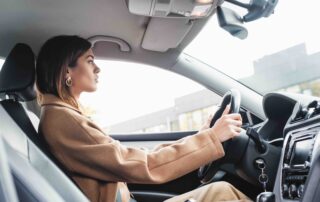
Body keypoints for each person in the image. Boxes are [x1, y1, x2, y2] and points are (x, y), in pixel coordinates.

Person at [36, 35, 251, 202]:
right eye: (89, 60)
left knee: (220, 192)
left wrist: (203, 136)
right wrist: (212, 137)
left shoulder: (63, 115)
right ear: (67, 72)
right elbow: (145, 165)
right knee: (223, 195)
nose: (97, 68)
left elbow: (133, 158)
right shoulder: (62, 119)